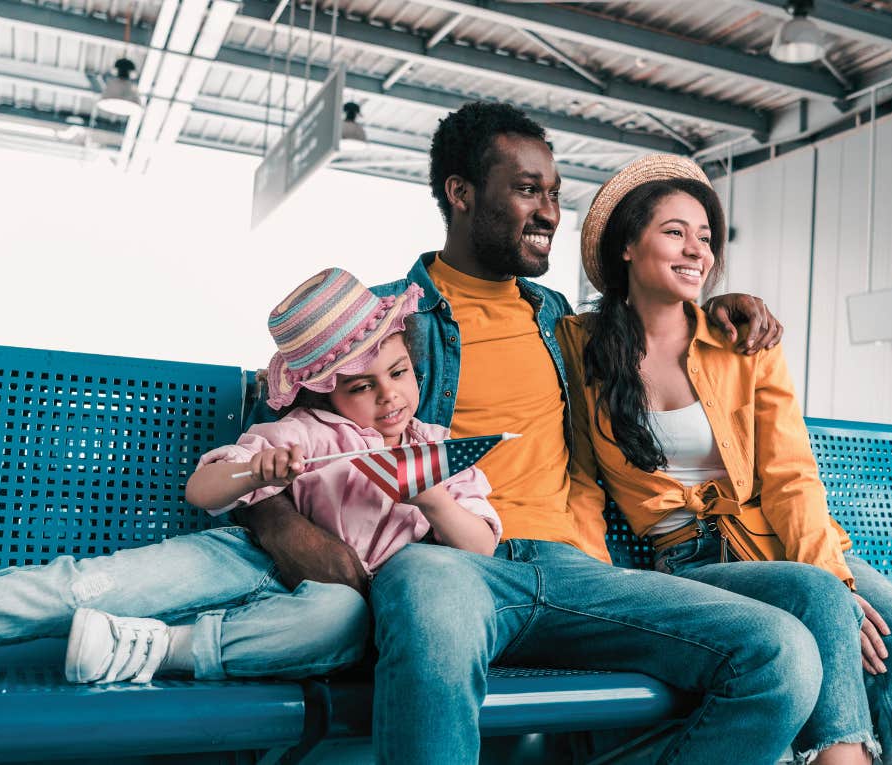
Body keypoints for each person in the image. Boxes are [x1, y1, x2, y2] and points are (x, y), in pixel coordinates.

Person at [238, 102, 823, 764]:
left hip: (580, 572)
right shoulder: (380, 322)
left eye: (553, 193)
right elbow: (263, 451)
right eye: (526, 189)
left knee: (782, 655)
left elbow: (653, 321)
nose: (549, 211)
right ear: (461, 195)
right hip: (454, 562)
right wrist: (291, 534)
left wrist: (715, 308)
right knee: (431, 603)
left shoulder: (561, 321)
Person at [556, 155, 892, 765]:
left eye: (705, 237)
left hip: (789, 543)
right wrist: (594, 585)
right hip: (692, 563)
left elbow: (789, 474)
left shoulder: (743, 342)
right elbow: (581, 482)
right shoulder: (578, 346)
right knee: (821, 602)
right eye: (674, 231)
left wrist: (835, 578)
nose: (696, 249)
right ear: (626, 245)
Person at [0, 269, 499, 687]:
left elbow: (482, 545)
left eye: (397, 372)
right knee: (94, 585)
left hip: (340, 603)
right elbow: (203, 490)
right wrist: (253, 472)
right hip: (246, 556)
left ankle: (158, 649)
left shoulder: (442, 451)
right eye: (360, 386)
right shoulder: (308, 431)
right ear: (327, 392)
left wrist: (434, 500)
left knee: (338, 625)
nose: (387, 395)